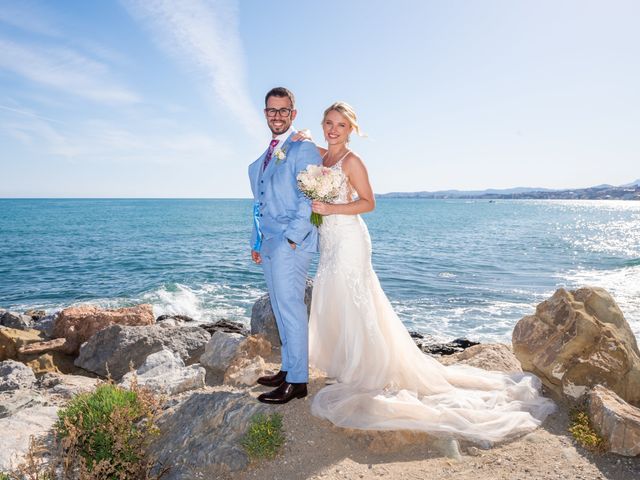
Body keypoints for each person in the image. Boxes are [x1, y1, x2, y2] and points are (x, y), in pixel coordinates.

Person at [304, 101, 556, 445]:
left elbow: (368, 202)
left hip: (350, 240)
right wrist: (297, 138)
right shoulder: (323, 158)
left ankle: (365, 370)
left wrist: (330, 207)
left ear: (351, 130)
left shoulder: (352, 161)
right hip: (329, 240)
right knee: (335, 295)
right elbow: (302, 147)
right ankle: (345, 363)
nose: (333, 129)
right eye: (329, 123)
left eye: (341, 125)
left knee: (355, 298)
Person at [248, 87, 322, 404]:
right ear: (265, 114)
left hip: (290, 244)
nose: (277, 116)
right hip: (270, 243)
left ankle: (298, 381)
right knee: (280, 309)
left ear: (293, 113)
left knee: (291, 309)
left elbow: (310, 198)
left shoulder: (302, 148)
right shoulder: (275, 149)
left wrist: (292, 238)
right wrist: (257, 241)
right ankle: (288, 368)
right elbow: (259, 201)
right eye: (271, 110)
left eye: (283, 110)